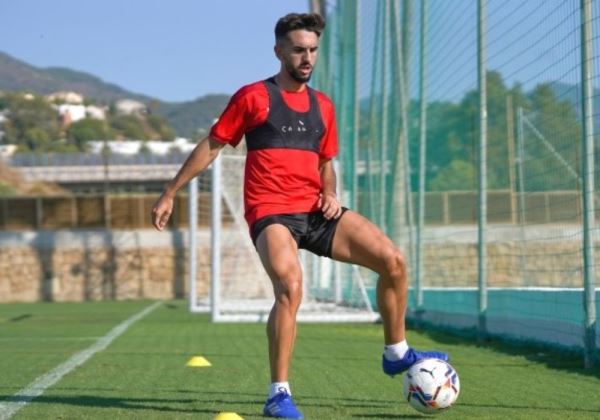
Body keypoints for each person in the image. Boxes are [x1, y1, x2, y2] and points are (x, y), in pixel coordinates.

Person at [152, 12, 448, 419]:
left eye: (312, 50)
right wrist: (170, 192)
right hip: (271, 213)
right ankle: (278, 395)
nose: (307, 58)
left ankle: (395, 352)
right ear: (279, 51)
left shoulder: (323, 105)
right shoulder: (253, 97)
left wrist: (329, 191)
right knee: (290, 286)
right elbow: (213, 145)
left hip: (316, 210)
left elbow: (326, 162)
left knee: (393, 261)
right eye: (298, 50)